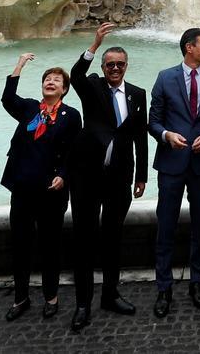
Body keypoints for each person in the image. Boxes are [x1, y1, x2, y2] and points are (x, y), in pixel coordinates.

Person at [68, 23, 148, 330]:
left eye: (120, 64)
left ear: (126, 67)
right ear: (103, 67)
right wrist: (95, 44)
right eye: (110, 64)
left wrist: (141, 175)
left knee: (113, 238)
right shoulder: (92, 86)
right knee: (84, 240)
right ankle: (82, 303)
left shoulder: (138, 94)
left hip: (119, 178)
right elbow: (74, 76)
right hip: (87, 176)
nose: (115, 68)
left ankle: (110, 295)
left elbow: (140, 137)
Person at [148, 28, 200, 317]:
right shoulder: (164, 77)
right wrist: (167, 135)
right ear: (189, 48)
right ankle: (164, 287)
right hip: (171, 163)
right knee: (165, 226)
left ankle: (197, 282)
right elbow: (153, 121)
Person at [0, 54, 80, 323]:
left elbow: (72, 151)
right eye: (47, 79)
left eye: (56, 80)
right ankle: (20, 297)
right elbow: (7, 99)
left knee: (50, 246)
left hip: (51, 191)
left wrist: (63, 175)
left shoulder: (71, 116)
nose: (51, 82)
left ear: (64, 89)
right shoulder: (31, 108)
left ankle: (51, 297)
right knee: (20, 245)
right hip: (22, 187)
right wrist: (19, 65)